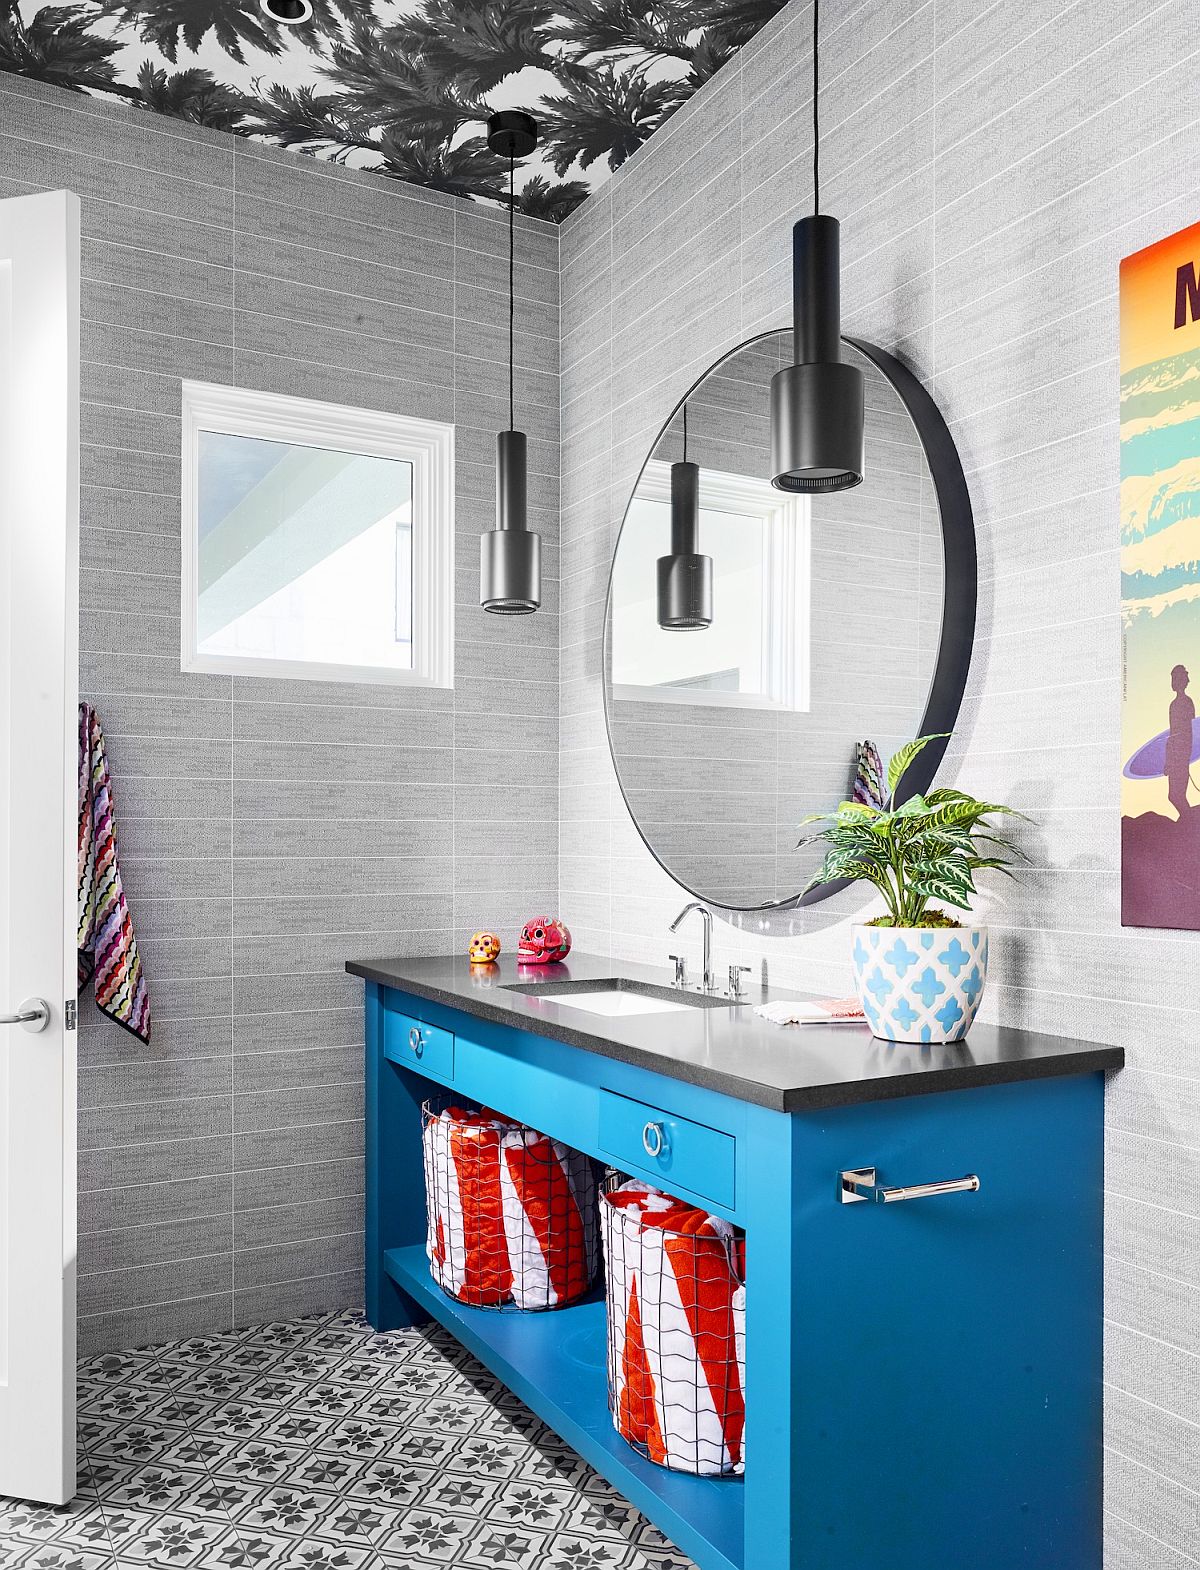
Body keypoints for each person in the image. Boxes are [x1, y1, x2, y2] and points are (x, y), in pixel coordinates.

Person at [1166, 663, 1195, 820]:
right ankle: (1188, 821)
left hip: (1180, 755)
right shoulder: (1174, 705)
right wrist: (1168, 759)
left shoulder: (1186, 703)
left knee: (1175, 795)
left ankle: (1189, 822)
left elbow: (1188, 732)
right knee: (1174, 795)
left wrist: (1183, 756)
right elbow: (1172, 733)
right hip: (1176, 754)